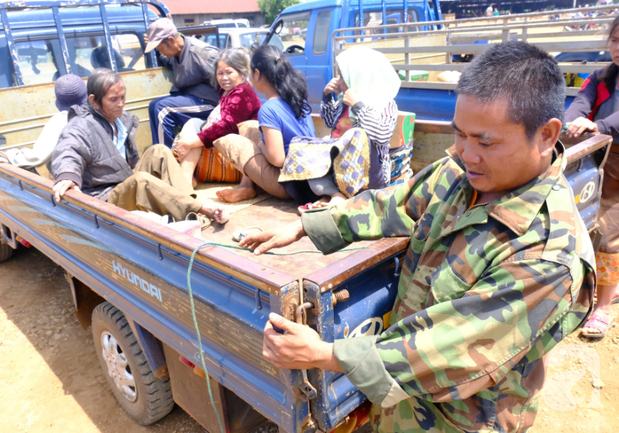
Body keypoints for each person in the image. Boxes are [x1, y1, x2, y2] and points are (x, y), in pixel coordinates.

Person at [240, 42, 595, 433]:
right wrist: (308, 225)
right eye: (459, 134)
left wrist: (326, 354)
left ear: (546, 135)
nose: (466, 152)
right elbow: (396, 203)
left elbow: (449, 346)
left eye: (485, 141)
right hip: (400, 406)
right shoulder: (462, 174)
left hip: (460, 420)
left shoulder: (548, 254)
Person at [51, 68, 227, 224]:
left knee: (159, 151)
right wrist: (68, 176)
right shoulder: (81, 125)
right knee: (140, 181)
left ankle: (190, 209)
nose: (121, 103)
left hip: (123, 181)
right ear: (94, 101)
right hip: (104, 197)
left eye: (123, 97)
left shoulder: (120, 119)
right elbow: (68, 149)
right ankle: (198, 210)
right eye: (113, 99)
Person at [280, 46, 405, 212]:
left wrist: (358, 106)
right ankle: (334, 195)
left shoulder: (386, 104)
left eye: (343, 76)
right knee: (300, 147)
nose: (338, 80)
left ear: (358, 77)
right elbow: (329, 121)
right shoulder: (344, 100)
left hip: (367, 175)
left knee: (356, 134)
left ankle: (335, 195)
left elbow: (382, 136)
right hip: (337, 168)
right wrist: (327, 95)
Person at [565, 15, 619, 339]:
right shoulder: (602, 77)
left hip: (612, 155)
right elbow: (579, 105)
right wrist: (573, 123)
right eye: (615, 40)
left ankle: (603, 307)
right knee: (583, 222)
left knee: (611, 233)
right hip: (602, 157)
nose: (618, 47)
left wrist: (598, 126)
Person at [214, 45, 315, 203]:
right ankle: (246, 186)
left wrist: (261, 147)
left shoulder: (268, 109)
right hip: (310, 177)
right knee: (249, 126)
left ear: (256, 73)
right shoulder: (297, 98)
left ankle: (247, 186)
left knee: (234, 141)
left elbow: (278, 159)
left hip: (290, 185)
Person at [171, 48, 261, 187]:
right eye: (220, 73)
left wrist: (193, 142)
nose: (224, 78)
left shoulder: (242, 92)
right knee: (193, 125)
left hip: (239, 154)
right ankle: (187, 178)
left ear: (242, 73)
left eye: (229, 72)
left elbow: (227, 126)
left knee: (192, 137)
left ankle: (186, 179)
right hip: (224, 142)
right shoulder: (228, 90)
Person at [145, 18, 220, 148]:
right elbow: (168, 59)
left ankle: (166, 162)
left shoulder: (203, 54)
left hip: (210, 103)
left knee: (163, 109)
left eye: (160, 48)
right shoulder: (176, 52)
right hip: (191, 97)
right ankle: (159, 152)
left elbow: (230, 79)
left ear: (171, 40)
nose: (160, 52)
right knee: (153, 105)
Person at [0, 74, 87, 171]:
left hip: (74, 180)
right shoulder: (96, 113)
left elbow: (38, 156)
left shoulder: (60, 120)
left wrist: (11, 156)